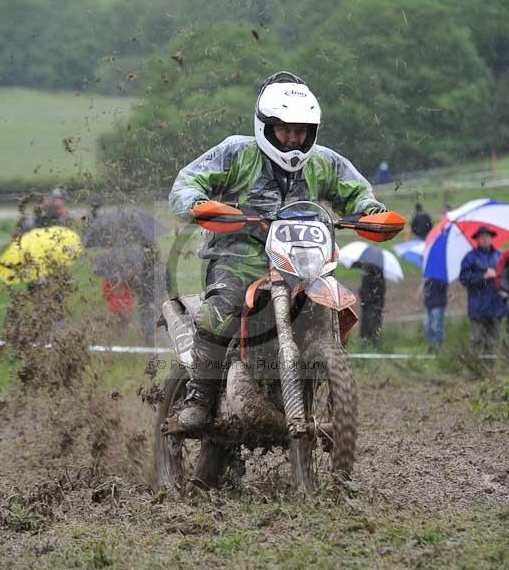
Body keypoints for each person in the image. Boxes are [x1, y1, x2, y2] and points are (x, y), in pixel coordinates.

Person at [168, 71, 386, 431]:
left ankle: (320, 374)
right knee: (222, 310)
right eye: (285, 129)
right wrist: (198, 203)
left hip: (302, 261)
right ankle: (200, 396)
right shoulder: (236, 152)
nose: (293, 140)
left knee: (330, 309)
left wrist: (372, 211)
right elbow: (187, 181)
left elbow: (357, 192)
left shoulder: (324, 162)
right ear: (266, 126)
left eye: (301, 131)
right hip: (240, 257)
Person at [459, 226, 506, 356]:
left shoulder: (500, 256)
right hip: (477, 307)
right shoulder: (469, 258)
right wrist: (483, 277)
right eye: (482, 236)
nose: (485, 238)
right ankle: (475, 372)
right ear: (477, 239)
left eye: (487, 236)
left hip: (497, 307)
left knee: (493, 342)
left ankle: (489, 373)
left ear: (491, 238)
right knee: (476, 340)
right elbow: (464, 279)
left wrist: (497, 275)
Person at [358, 264, 385, 345]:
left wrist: (362, 294)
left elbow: (367, 289)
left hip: (371, 303)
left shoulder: (369, 274)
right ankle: (370, 340)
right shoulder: (377, 274)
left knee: (370, 320)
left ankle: (368, 340)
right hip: (373, 303)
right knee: (371, 321)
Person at [422, 277, 447, 350]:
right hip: (428, 304)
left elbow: (443, 287)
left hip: (438, 303)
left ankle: (439, 345)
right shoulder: (427, 276)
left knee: (437, 326)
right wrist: (425, 282)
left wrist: (434, 281)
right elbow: (426, 291)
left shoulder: (442, 276)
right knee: (427, 325)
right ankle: (431, 345)